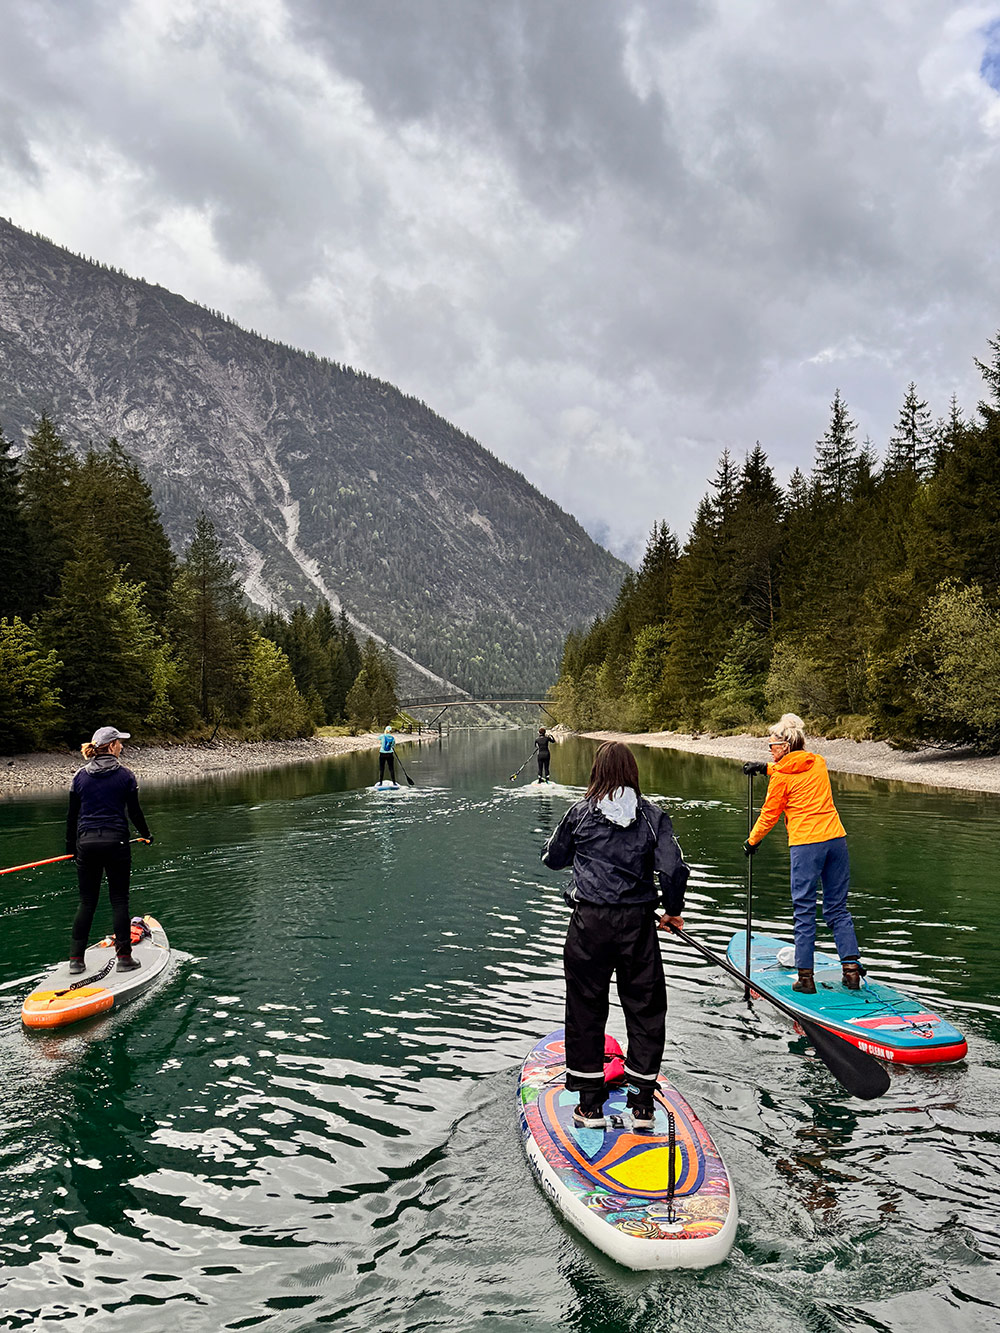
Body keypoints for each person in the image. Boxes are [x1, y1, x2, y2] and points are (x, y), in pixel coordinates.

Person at [540, 740, 689, 1129]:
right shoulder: (653, 816)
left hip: (589, 925)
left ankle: (589, 1106)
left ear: (597, 772)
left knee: (586, 1008)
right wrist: (673, 911)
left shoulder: (579, 813)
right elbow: (673, 871)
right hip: (637, 926)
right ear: (633, 773)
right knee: (646, 1008)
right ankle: (641, 1105)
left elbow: (553, 859)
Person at [742, 712, 861, 994]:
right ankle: (852, 971)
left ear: (783, 747)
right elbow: (796, 769)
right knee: (837, 908)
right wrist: (765, 768)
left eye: (771, 746)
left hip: (807, 845)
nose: (769, 751)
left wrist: (751, 842)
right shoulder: (818, 763)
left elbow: (769, 815)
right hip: (836, 840)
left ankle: (805, 979)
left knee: (804, 910)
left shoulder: (781, 779)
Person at [66, 726, 153, 974]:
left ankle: (75, 961)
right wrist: (146, 835)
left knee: (87, 901)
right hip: (117, 843)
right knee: (119, 900)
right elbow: (135, 813)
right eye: (119, 742)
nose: (122, 746)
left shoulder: (80, 777)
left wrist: (71, 849)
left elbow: (72, 817)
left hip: (87, 844)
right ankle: (124, 959)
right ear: (112, 746)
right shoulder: (125, 776)